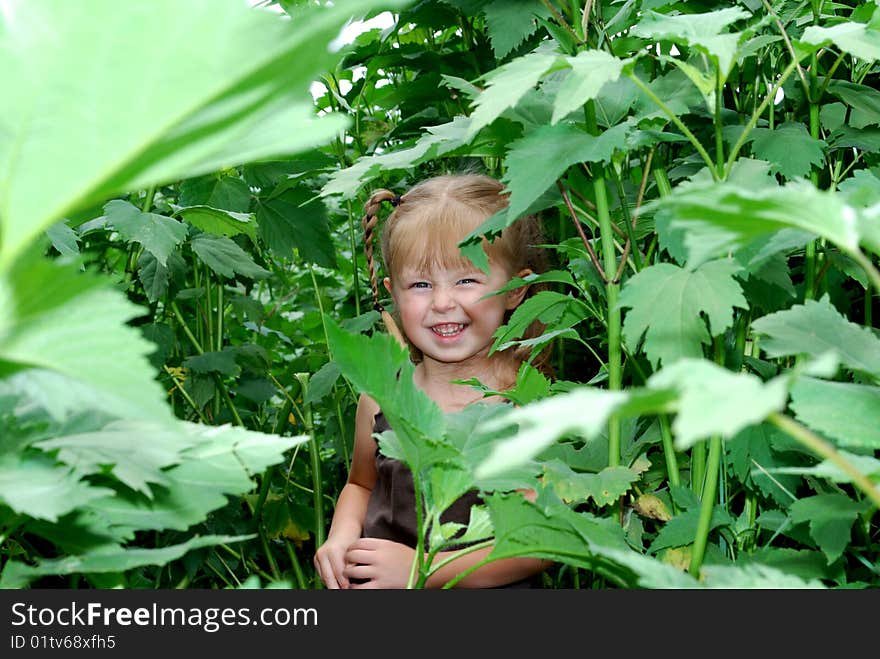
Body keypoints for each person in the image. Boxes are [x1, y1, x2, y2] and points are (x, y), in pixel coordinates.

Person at [313, 173, 552, 589]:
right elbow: (360, 484)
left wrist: (424, 571)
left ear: (516, 290)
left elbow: (540, 541)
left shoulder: (527, 403)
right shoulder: (384, 398)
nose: (443, 303)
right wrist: (340, 537)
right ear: (393, 292)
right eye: (421, 285)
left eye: (466, 280)